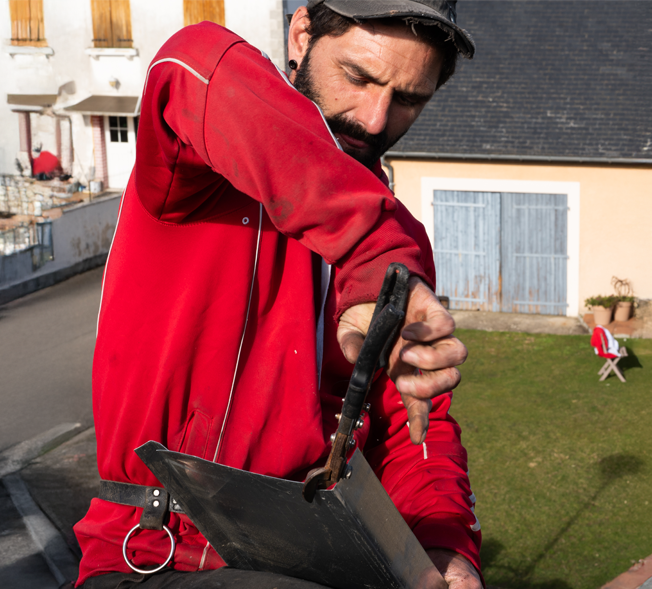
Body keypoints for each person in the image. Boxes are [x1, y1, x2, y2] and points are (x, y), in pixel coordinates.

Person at [73, 1, 482, 588]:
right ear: (301, 34)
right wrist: (373, 253)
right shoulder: (196, 175)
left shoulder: (399, 244)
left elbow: (416, 424)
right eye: (358, 77)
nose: (374, 118)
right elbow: (194, 60)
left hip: (317, 559)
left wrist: (445, 544)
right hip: (155, 557)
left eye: (409, 99)